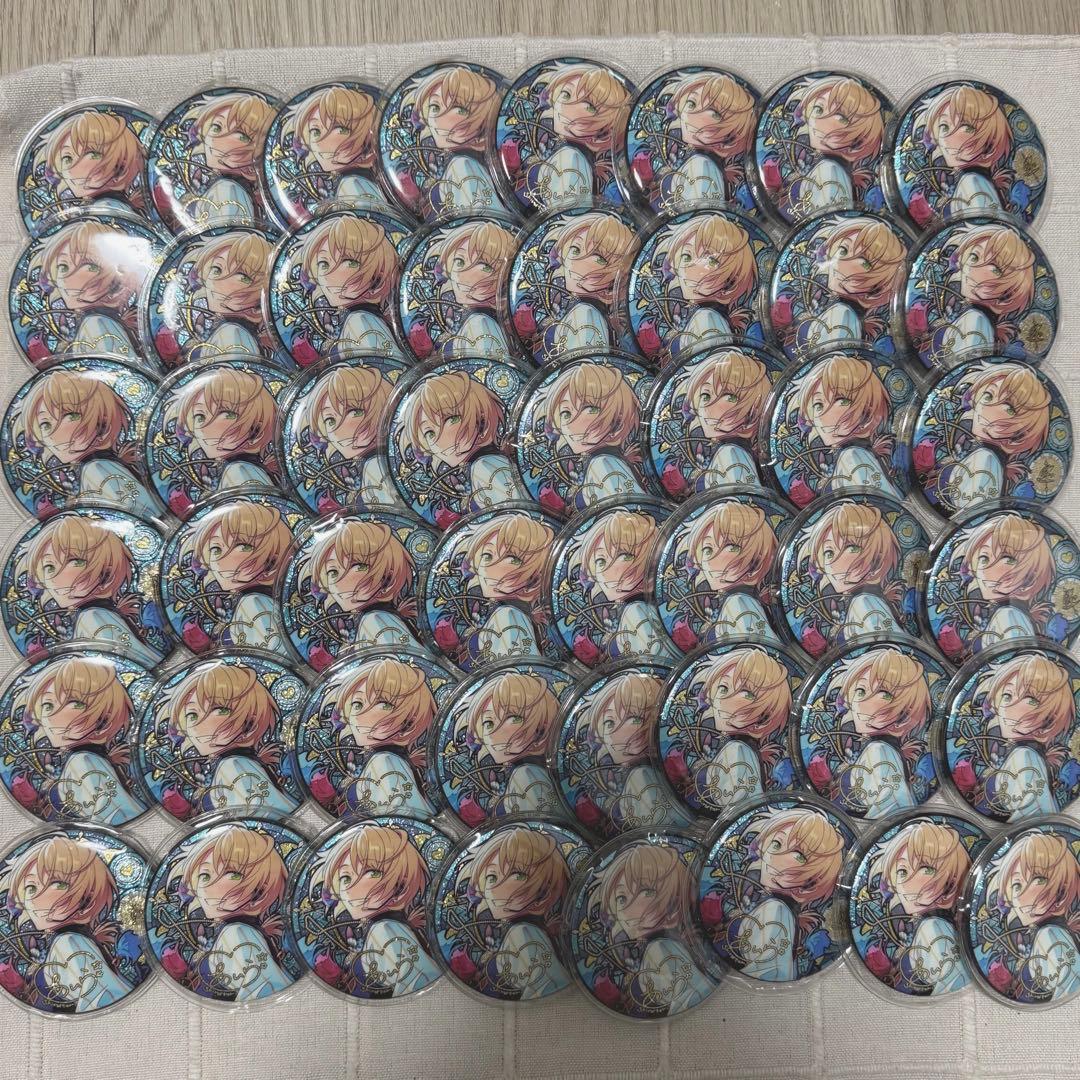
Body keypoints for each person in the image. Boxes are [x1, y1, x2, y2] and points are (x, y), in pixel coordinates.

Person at [3, 834, 135, 1011]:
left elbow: (105, 995)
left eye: (58, 884)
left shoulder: (68, 943)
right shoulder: (65, 940)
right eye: (31, 887)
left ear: (87, 899)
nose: (35, 898)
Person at [13, 656, 145, 825]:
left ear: (104, 718)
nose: (51, 716)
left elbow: (120, 814)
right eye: (47, 705)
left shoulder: (83, 761)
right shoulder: (82, 760)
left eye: (74, 703)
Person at [310, 824, 440, 996]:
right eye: (345, 877)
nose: (350, 888)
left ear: (400, 886)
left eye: (371, 872)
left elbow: (421, 978)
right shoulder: (379, 927)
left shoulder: (385, 930)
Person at [12, 367, 158, 517]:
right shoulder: (93, 468)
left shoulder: (96, 469)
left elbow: (145, 514)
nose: (53, 434)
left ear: (102, 423)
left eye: (70, 416)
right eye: (45, 424)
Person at [157, 662, 298, 817]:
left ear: (250, 723)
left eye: (219, 709)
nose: (197, 724)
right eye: (192, 714)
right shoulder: (229, 764)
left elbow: (263, 817)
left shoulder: (233, 766)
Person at [167, 825, 292, 1001]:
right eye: (204, 875)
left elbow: (267, 988)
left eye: (232, 873)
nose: (207, 886)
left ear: (259, 890)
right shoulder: (233, 931)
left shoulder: (237, 933)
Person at [594, 841, 713, 1015]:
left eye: (647, 892)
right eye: (621, 898)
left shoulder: (659, 948)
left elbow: (691, 995)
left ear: (674, 904)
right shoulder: (655, 948)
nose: (627, 910)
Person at [457, 826, 572, 998]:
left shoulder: (522, 933)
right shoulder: (519, 931)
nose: (495, 888)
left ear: (544, 892)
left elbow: (550, 986)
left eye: (517, 875)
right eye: (491, 877)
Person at [177, 500, 293, 652]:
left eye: (242, 546)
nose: (220, 560)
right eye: (216, 549)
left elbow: (269, 658)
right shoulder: (250, 601)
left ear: (272, 560)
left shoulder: (253, 603)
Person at [871, 820, 972, 994]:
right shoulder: (920, 925)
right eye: (902, 871)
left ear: (951, 883)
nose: (908, 883)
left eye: (926, 869)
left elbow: (952, 982)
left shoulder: (933, 927)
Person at [987, 831, 1080, 1001]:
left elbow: (1067, 988)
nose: (1020, 896)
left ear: (1061, 893)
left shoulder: (1050, 935)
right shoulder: (1039, 934)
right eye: (1016, 885)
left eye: (1038, 879)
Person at [916, 84, 1013, 218]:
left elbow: (981, 227)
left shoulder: (972, 182)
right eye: (944, 126)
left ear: (990, 142)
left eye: (966, 127)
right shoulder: (971, 180)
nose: (948, 137)